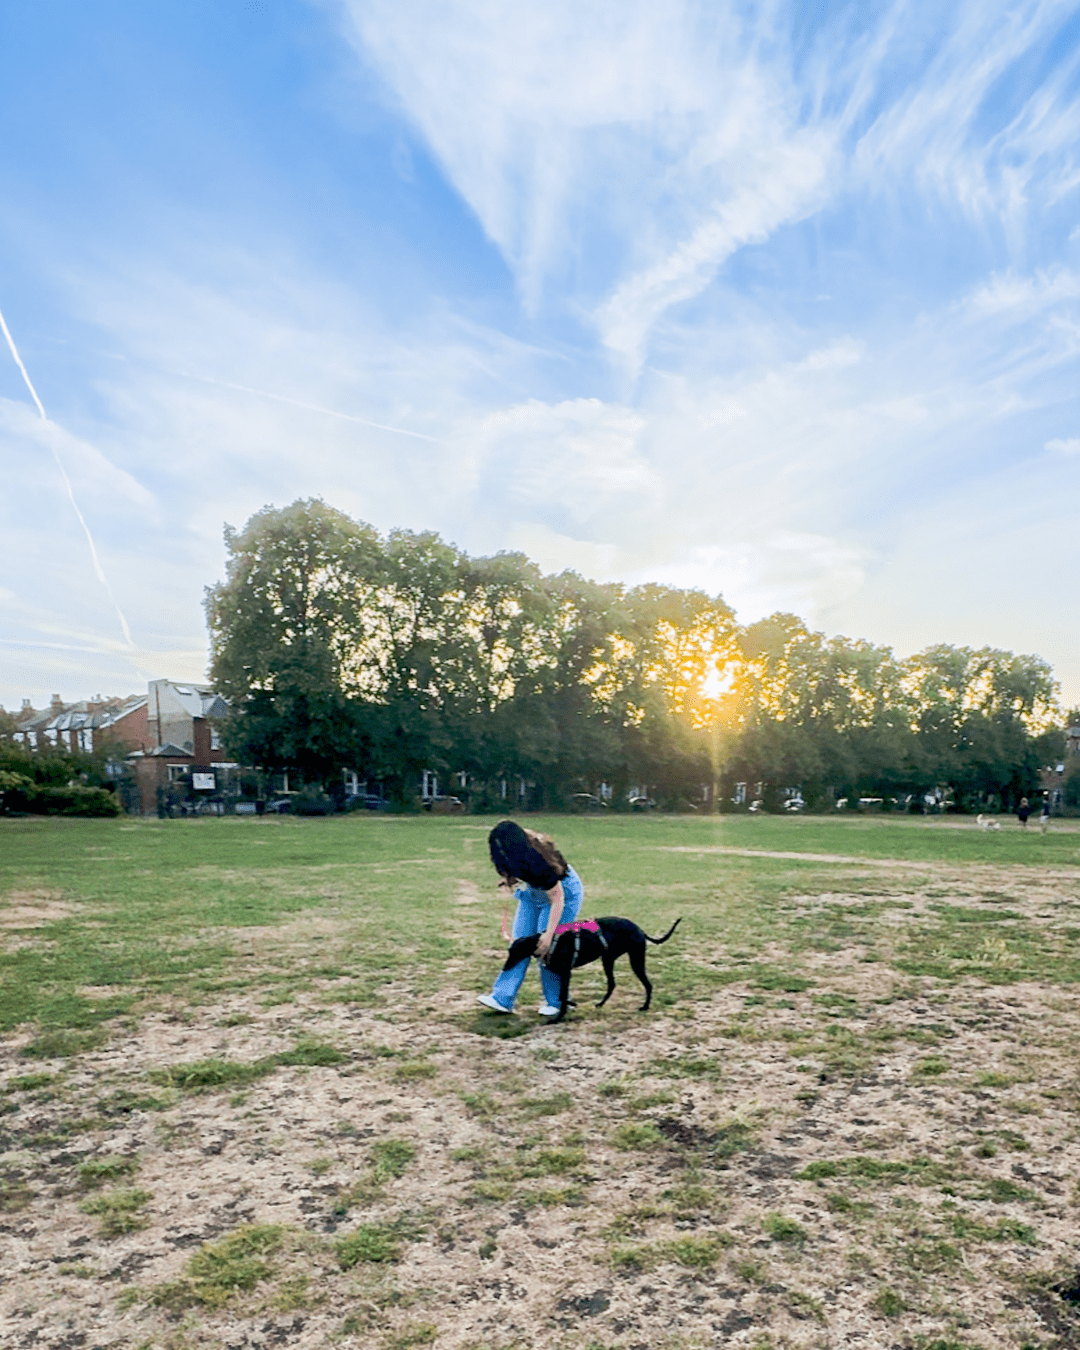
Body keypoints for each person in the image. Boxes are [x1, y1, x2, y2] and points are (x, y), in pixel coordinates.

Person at [477, 819, 583, 1017]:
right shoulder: (515, 855)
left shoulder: (536, 861)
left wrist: (549, 934)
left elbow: (557, 897)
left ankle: (557, 1002)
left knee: (547, 948)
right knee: (520, 944)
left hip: (563, 895)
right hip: (533, 893)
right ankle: (502, 998)